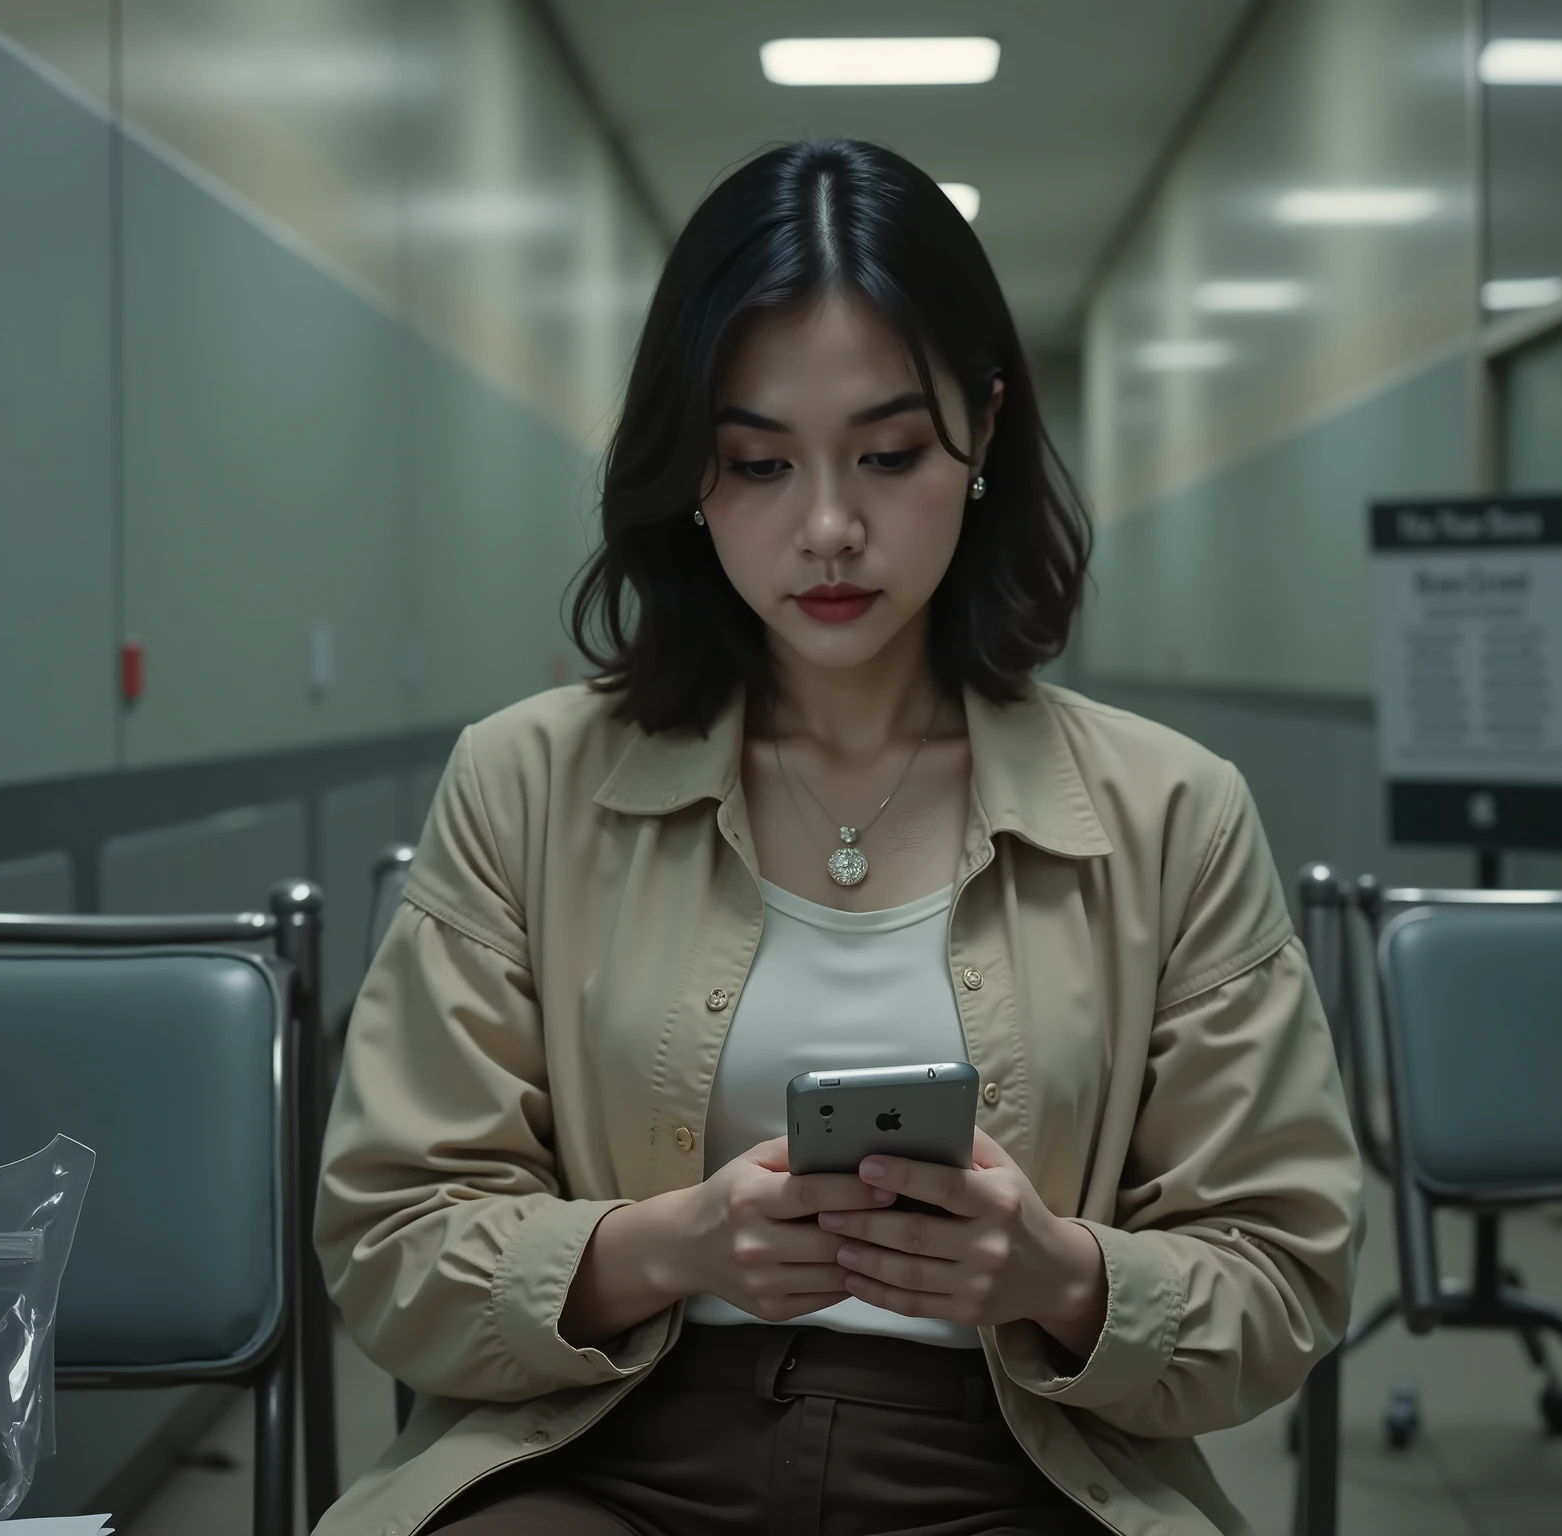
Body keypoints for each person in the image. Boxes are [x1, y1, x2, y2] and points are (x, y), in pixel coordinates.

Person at [313, 139, 1362, 1536]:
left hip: (1011, 1457)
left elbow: (1286, 1271)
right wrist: (665, 1248)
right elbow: (391, 1233)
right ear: (688, 468)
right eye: (757, 462)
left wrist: (1055, 1275)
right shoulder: (528, 783)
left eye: (888, 453)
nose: (827, 528)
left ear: (983, 432)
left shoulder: (1167, 812)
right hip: (599, 1444)